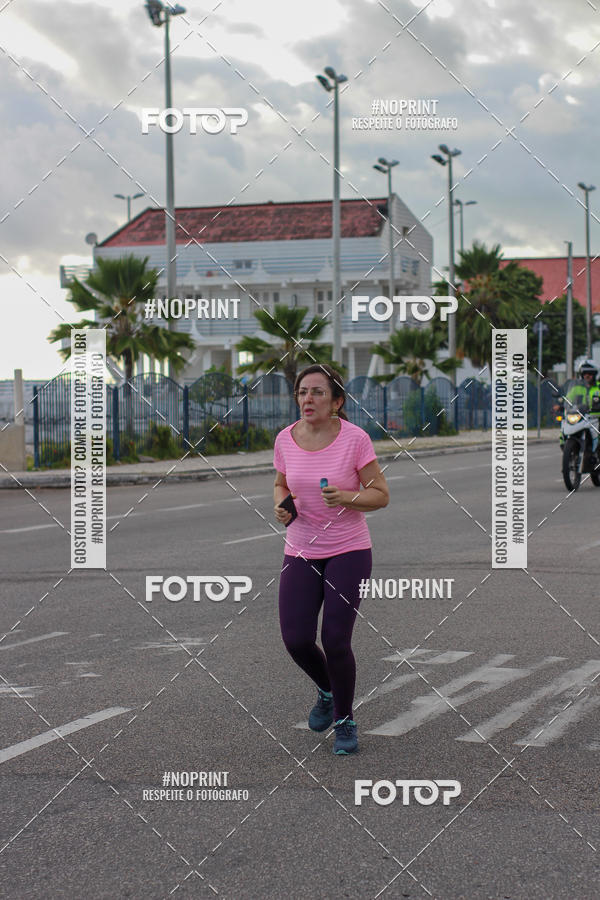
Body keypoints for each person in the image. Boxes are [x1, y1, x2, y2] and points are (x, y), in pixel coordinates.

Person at [273, 363, 389, 755]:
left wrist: (346, 497)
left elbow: (381, 494)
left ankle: (344, 719)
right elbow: (280, 483)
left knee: (335, 639)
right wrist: (281, 506)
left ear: (337, 401)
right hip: (301, 549)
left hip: (348, 550)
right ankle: (326, 690)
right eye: (302, 391)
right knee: (296, 640)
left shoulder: (355, 440)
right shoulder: (285, 439)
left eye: (318, 392)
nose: (308, 398)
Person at [565, 360, 600, 451]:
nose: (587, 375)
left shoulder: (598, 387)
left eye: (590, 373)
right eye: (584, 373)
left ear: (595, 374)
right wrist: (561, 404)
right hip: (581, 415)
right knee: (563, 427)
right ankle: (564, 445)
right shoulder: (577, 387)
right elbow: (568, 398)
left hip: (596, 416)